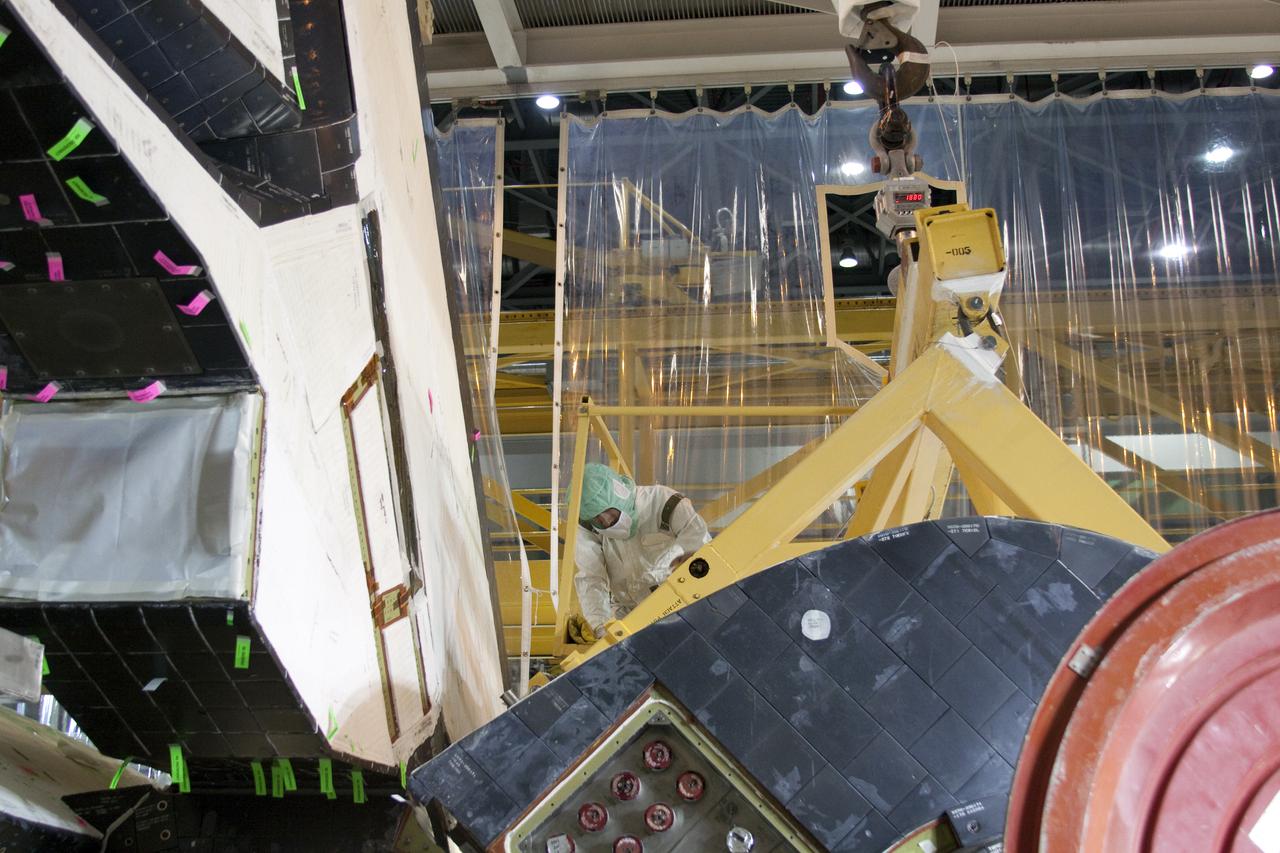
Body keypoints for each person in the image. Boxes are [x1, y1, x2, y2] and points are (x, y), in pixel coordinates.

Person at [572, 463, 711, 640]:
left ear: (620, 494)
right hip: (629, 617)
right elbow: (591, 578)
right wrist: (601, 626)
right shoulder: (586, 527)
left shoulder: (664, 502)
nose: (606, 522)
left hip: (681, 607)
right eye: (597, 519)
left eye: (609, 513)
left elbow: (702, 550)